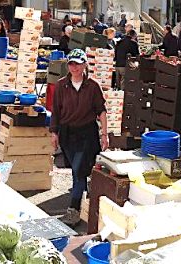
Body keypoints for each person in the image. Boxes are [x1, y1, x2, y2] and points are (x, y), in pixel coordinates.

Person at [50, 48, 108, 226]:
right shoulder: (61, 85)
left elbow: (101, 111)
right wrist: (54, 133)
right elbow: (56, 111)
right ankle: (89, 191)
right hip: (68, 134)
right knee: (79, 170)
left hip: (86, 133)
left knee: (78, 170)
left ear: (84, 65)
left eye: (78, 64)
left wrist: (104, 134)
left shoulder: (92, 86)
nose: (74, 67)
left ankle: (74, 210)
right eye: (71, 64)